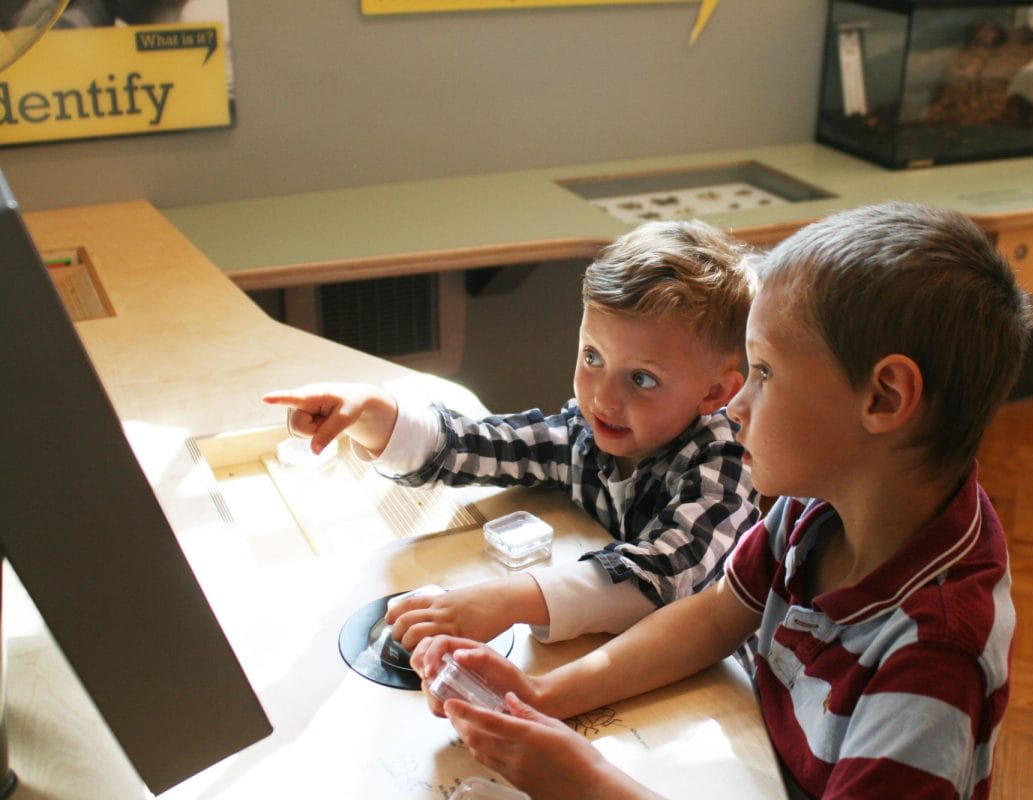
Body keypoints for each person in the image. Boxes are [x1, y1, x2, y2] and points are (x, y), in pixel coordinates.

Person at [410, 202, 1033, 800]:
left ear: (885, 398)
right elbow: (713, 617)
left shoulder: (933, 659)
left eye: (762, 372)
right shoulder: (816, 506)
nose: (735, 407)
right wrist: (543, 695)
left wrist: (586, 785)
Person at [263, 219, 760, 652]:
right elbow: (479, 444)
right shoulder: (586, 434)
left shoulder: (727, 460)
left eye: (642, 379)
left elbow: (665, 574)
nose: (603, 399)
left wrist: (504, 600)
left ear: (715, 392)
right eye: (593, 358)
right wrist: (372, 412)